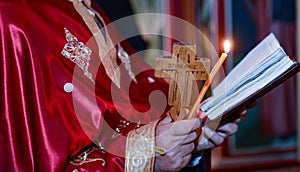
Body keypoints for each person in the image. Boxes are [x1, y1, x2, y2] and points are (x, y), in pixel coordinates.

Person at [0, 0, 248, 171]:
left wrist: (191, 136)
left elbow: (134, 108)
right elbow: (25, 160)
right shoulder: (11, 21)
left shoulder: (90, 9)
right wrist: (148, 158)